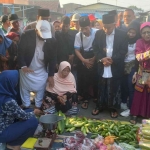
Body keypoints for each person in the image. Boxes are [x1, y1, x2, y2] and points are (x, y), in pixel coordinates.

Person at [92, 14, 128, 117]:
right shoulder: (99, 33)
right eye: (104, 27)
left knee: (114, 87)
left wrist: (112, 59)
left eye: (109, 27)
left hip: (115, 64)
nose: (106, 30)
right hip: (102, 64)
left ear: (114, 24)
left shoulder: (122, 34)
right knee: (101, 86)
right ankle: (99, 106)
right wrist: (102, 59)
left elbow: (123, 50)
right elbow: (95, 48)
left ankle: (113, 108)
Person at [18, 20, 57, 109]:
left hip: (41, 68)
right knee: (25, 88)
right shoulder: (26, 35)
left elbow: (53, 58)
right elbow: (20, 52)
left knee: (41, 87)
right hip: (27, 67)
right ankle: (26, 105)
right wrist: (23, 66)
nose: (44, 38)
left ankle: (37, 106)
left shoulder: (52, 40)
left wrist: (51, 75)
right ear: (36, 31)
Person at [0, 70, 41, 150]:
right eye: (15, 82)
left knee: (29, 111)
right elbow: (24, 116)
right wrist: (35, 112)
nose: (16, 84)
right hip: (3, 133)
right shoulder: (8, 101)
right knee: (33, 121)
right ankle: (13, 144)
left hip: (4, 124)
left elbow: (12, 111)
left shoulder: (2, 94)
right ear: (10, 83)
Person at [75, 16, 98, 109]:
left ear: (90, 26)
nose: (84, 31)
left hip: (95, 57)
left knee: (96, 78)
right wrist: (84, 61)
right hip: (84, 58)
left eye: (86, 28)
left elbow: (100, 47)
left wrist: (94, 59)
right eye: (82, 28)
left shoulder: (97, 33)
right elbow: (77, 50)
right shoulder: (78, 35)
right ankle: (86, 98)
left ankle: (96, 97)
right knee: (84, 79)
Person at [130, 22, 150, 124]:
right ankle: (134, 114)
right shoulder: (139, 42)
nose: (147, 34)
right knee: (139, 94)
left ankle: (147, 115)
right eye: (144, 32)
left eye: (149, 32)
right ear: (141, 34)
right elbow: (138, 57)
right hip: (142, 72)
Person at [120, 20, 141, 117]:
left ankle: (131, 108)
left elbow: (138, 57)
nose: (131, 34)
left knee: (130, 86)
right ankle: (123, 103)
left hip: (133, 65)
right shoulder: (124, 39)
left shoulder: (138, 42)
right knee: (123, 85)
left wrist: (136, 71)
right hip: (123, 64)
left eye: (134, 32)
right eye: (129, 32)